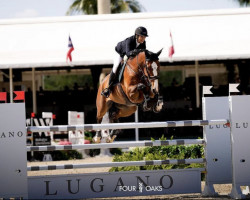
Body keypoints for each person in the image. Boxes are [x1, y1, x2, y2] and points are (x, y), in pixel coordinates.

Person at [101, 26, 148, 98]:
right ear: (136, 35)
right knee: (116, 66)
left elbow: (143, 54)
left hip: (130, 55)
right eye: (141, 37)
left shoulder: (143, 43)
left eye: (144, 37)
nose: (143, 39)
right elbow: (128, 53)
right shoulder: (130, 40)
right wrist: (137, 51)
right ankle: (108, 88)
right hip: (120, 53)